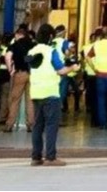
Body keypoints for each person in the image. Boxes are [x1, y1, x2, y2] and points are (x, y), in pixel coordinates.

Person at [28, 23, 80, 166]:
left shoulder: (32, 51)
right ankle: (50, 157)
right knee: (51, 125)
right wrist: (73, 67)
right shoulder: (51, 51)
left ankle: (36, 157)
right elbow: (61, 70)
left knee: (37, 126)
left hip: (36, 93)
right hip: (50, 93)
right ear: (51, 36)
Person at [3, 24, 36, 132]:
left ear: (17, 35)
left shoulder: (15, 45)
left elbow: (7, 56)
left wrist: (10, 69)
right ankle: (31, 125)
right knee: (30, 100)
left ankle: (9, 125)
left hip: (20, 74)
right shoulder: (33, 44)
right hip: (32, 74)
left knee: (15, 100)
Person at [81, 29, 100, 126]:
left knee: (91, 95)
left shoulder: (86, 47)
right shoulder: (100, 47)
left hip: (90, 73)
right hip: (98, 73)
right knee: (97, 97)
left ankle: (92, 115)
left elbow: (83, 59)